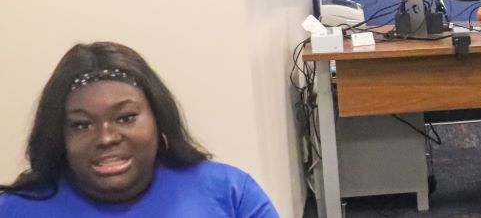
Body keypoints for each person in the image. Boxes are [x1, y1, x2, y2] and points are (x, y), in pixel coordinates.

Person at [0, 42, 277, 217]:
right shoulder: (15, 211)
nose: (106, 137)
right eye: (82, 125)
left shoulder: (230, 193)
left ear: (158, 119)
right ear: (59, 135)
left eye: (126, 118)